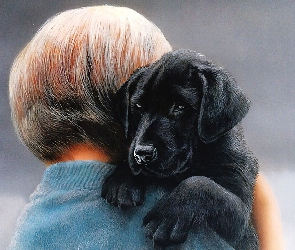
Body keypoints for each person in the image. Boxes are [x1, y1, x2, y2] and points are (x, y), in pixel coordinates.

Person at [8, 5, 283, 250]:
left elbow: (238, 221)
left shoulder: (34, 221)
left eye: (177, 108)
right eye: (138, 110)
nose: (144, 139)